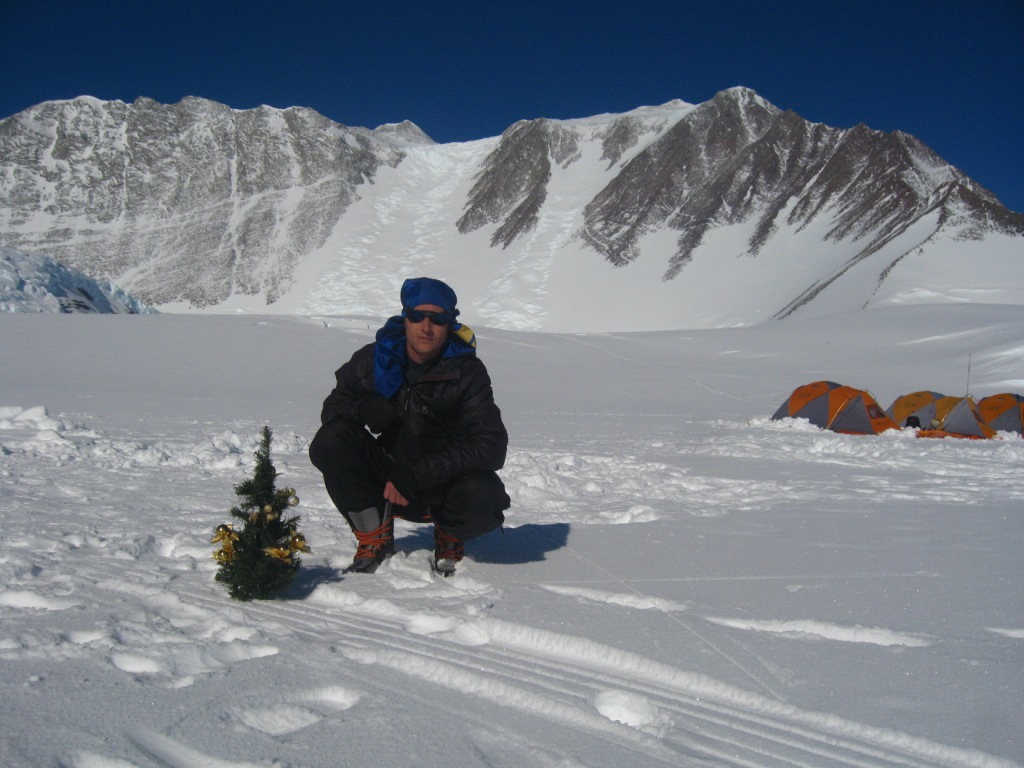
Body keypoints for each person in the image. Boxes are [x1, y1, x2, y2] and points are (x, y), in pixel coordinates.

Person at [309, 277, 510, 575]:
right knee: (332, 439)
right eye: (417, 316)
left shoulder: (466, 372)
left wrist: (418, 476)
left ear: (450, 323)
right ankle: (373, 532)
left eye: (438, 319)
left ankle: (449, 532)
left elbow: (491, 445)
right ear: (405, 317)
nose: (426, 327)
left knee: (485, 493)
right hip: (386, 483)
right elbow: (332, 411)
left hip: (441, 484)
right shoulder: (374, 361)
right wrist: (361, 408)